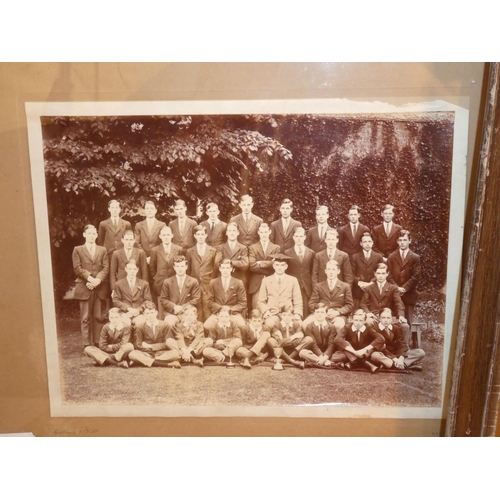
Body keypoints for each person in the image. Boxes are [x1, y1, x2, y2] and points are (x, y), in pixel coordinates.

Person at [72, 224, 110, 347]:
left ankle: (98, 343)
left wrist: (97, 280)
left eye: (94, 233)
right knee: (85, 318)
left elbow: (105, 268)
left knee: (98, 316)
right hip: (84, 286)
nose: (92, 236)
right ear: (84, 234)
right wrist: (90, 279)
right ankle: (87, 345)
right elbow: (77, 268)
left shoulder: (102, 250)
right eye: (89, 233)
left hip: (99, 287)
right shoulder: (78, 249)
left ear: (97, 235)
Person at [360, 263, 410, 345]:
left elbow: (399, 303)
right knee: (368, 322)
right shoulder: (368, 288)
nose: (380, 276)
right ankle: (369, 349)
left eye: (383, 273)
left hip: (389, 317)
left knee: (405, 326)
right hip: (374, 317)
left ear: (387, 274)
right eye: (378, 273)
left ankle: (404, 352)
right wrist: (368, 313)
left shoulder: (393, 288)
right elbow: (363, 304)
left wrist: (401, 315)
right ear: (375, 274)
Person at [127, 301, 181, 368]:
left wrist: (151, 346)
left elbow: (167, 343)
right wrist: (150, 351)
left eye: (152, 312)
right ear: (144, 314)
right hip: (147, 353)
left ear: (156, 313)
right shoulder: (141, 326)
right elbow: (138, 345)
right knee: (132, 354)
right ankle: (166, 364)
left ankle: (148, 361)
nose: (150, 315)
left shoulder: (164, 324)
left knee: (175, 353)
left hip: (162, 353)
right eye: (147, 313)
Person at [186, 224, 223, 320]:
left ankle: (207, 332)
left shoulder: (213, 251)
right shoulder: (190, 251)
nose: (200, 237)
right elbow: (188, 269)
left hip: (208, 284)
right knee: (196, 309)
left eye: (202, 234)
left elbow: (215, 268)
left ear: (206, 235)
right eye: (198, 234)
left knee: (207, 308)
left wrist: (212, 281)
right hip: (195, 284)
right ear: (195, 236)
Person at [306, 260, 353, 332]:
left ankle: (335, 343)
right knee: (305, 324)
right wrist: (322, 311)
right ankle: (314, 342)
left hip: (338, 315)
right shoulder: (318, 286)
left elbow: (350, 305)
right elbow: (311, 304)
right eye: (329, 269)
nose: (331, 272)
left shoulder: (345, 286)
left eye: (333, 269)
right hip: (320, 314)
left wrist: (338, 312)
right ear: (325, 271)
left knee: (339, 325)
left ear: (338, 271)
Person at [387, 229, 421, 330]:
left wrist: (404, 288)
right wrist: (397, 288)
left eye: (405, 240)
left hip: (409, 294)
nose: (402, 242)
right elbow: (388, 275)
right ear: (397, 241)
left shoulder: (415, 257)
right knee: (393, 322)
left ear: (409, 241)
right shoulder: (392, 257)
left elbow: (416, 276)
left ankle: (407, 344)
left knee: (407, 322)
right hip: (394, 294)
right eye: (400, 240)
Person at [258, 255, 303, 330]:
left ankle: (292, 341)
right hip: (272, 313)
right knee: (269, 324)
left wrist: (297, 313)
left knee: (299, 324)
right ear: (273, 266)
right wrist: (266, 311)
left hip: (288, 313)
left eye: (282, 265)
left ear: (286, 267)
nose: (279, 267)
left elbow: (298, 300)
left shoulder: (293, 280)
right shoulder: (266, 280)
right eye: (277, 265)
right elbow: (261, 301)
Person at [204, 259, 247, 330]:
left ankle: (238, 340)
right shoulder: (213, 282)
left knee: (242, 325)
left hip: (233, 313)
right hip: (218, 313)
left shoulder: (238, 283)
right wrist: (221, 309)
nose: (225, 270)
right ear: (220, 269)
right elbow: (209, 301)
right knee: (207, 326)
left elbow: (243, 303)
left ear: (231, 269)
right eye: (223, 268)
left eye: (227, 268)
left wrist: (230, 309)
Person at [159, 255, 201, 327]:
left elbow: (196, 299)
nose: (180, 269)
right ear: (174, 267)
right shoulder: (167, 282)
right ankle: (171, 338)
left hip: (187, 312)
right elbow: (163, 299)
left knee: (189, 322)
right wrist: (174, 307)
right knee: (170, 323)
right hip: (171, 312)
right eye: (177, 266)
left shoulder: (193, 281)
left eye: (182, 266)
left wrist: (182, 308)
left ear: (186, 267)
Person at [148, 225, 183, 312]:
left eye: (168, 235)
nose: (166, 237)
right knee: (160, 303)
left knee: (173, 303)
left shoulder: (178, 249)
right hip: (160, 281)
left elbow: (180, 264)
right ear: (160, 236)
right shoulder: (155, 250)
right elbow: (152, 267)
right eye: (164, 235)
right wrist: (157, 277)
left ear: (172, 235)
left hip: (174, 281)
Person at [248, 223, 281, 310]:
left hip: (272, 281)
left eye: (265, 232)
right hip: (256, 283)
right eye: (262, 232)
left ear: (269, 232)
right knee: (256, 309)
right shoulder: (252, 247)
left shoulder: (276, 248)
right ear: (258, 232)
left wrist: (261, 263)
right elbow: (252, 265)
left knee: (272, 307)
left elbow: (276, 264)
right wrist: (269, 265)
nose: (264, 234)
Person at [284, 226, 315, 318]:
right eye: (297, 236)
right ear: (293, 237)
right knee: (292, 309)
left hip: (306, 285)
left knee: (305, 309)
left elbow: (312, 270)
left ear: (305, 237)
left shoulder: (311, 253)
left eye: (301, 236)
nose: (299, 239)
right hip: (292, 285)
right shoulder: (287, 252)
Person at [112, 258, 152, 329]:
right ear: (126, 269)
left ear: (137, 270)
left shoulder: (144, 284)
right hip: (125, 313)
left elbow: (148, 301)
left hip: (139, 313)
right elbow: (116, 300)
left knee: (141, 323)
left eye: (134, 269)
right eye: (130, 269)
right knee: (124, 324)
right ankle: (126, 340)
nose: (132, 271)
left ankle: (138, 340)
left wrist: (138, 310)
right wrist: (128, 309)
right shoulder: (119, 284)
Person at [351, 232, 384, 309]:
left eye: (369, 241)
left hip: (374, 291)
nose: (367, 244)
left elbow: (382, 273)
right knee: (358, 315)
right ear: (361, 243)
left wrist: (371, 282)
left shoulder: (378, 257)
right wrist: (358, 282)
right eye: (365, 242)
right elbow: (351, 273)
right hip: (359, 290)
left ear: (372, 243)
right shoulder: (355, 257)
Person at [215, 221, 249, 286]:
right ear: (227, 233)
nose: (232, 233)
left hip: (239, 279)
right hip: (223, 279)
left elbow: (245, 265)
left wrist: (230, 262)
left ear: (238, 233)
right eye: (230, 231)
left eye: (234, 231)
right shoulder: (220, 247)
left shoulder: (243, 248)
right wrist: (237, 262)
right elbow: (217, 263)